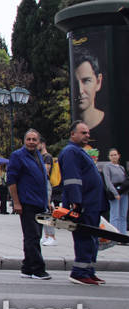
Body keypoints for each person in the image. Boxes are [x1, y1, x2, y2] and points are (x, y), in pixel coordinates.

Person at [59, 121, 107, 285]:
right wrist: (76, 202)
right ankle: (79, 272)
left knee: (92, 239)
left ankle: (88, 271)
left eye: (87, 132)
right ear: (73, 134)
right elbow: (72, 179)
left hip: (91, 203)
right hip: (83, 204)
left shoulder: (80, 151)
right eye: (83, 132)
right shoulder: (71, 152)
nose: (87, 135)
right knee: (84, 238)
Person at [7, 129, 51, 280]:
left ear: (39, 142)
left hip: (40, 202)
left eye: (34, 139)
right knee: (32, 236)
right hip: (27, 202)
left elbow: (43, 181)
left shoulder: (38, 155)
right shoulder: (17, 156)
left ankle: (27, 268)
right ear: (24, 141)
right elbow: (11, 181)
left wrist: (48, 201)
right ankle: (38, 269)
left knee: (34, 236)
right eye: (29, 139)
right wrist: (16, 202)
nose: (31, 142)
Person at [103, 148, 128, 237]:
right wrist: (115, 193)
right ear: (109, 157)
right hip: (114, 193)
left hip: (124, 193)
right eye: (112, 155)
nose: (114, 157)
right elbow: (108, 182)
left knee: (123, 215)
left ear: (119, 156)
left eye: (115, 155)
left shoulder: (121, 167)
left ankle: (122, 234)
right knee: (115, 215)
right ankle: (113, 235)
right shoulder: (107, 166)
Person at [39, 137, 57, 246]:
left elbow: (45, 171)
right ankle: (46, 235)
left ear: (43, 144)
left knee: (47, 209)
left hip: (46, 184)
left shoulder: (47, 157)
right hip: (40, 184)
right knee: (42, 210)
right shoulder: (39, 157)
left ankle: (52, 236)